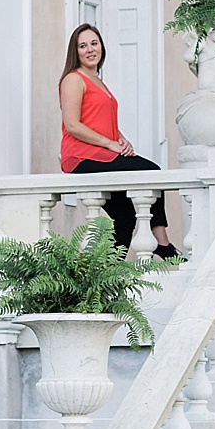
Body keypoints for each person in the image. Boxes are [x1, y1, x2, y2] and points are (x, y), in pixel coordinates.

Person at [59, 23, 180, 258]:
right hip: (81, 156)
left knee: (125, 217)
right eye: (83, 46)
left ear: (101, 47)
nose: (90, 49)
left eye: (94, 43)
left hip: (101, 152)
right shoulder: (73, 79)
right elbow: (73, 125)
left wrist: (122, 140)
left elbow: (102, 121)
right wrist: (109, 144)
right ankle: (162, 242)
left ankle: (109, 272)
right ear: (75, 51)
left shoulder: (98, 81)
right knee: (151, 171)